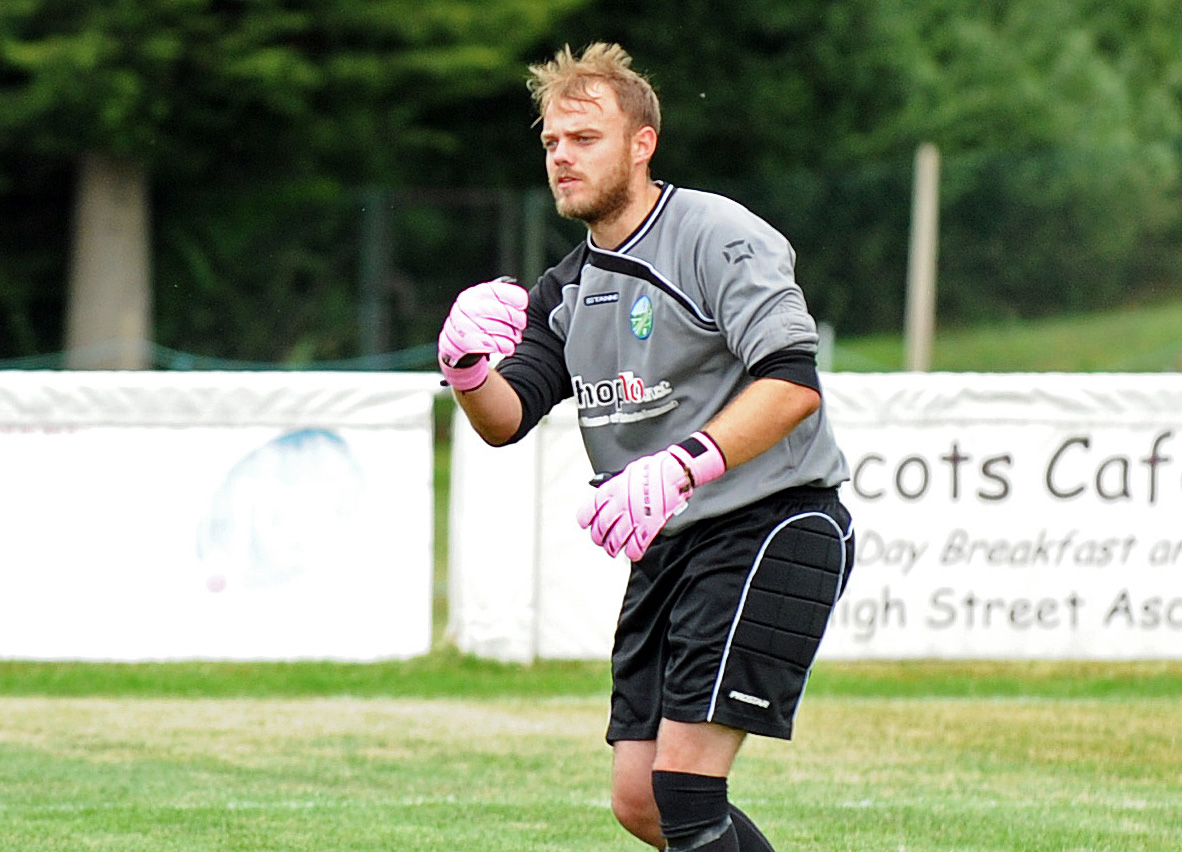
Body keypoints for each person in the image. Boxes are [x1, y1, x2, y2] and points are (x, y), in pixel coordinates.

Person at [437, 42, 855, 852]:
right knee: (641, 802)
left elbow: (793, 383)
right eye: (551, 141)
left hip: (770, 522)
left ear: (642, 144)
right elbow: (505, 418)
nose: (561, 157)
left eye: (584, 138)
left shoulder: (715, 234)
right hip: (670, 551)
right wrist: (463, 367)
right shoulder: (566, 288)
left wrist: (684, 462)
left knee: (685, 790)